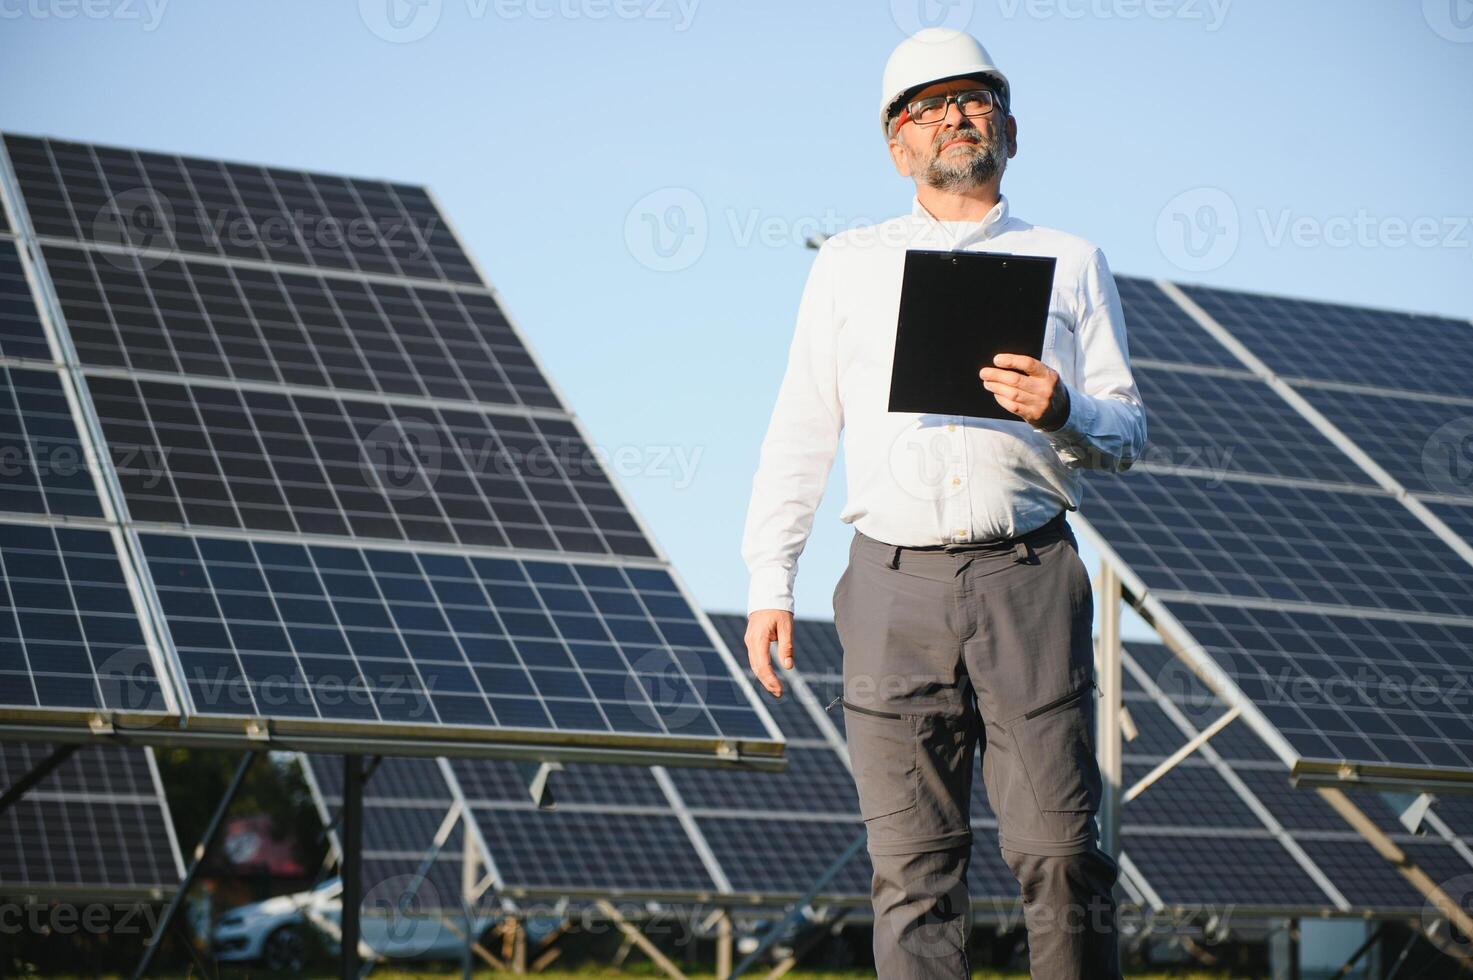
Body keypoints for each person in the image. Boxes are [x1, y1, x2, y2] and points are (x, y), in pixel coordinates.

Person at [739, 27, 1147, 980]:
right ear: (896, 145)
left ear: (1010, 126)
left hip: (1029, 579)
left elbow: (1127, 431)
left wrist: (1063, 408)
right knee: (912, 875)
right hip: (890, 590)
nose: (954, 115)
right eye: (928, 105)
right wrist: (770, 579)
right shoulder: (847, 262)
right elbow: (802, 426)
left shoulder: (1071, 260)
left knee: (1059, 851)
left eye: (973, 98)